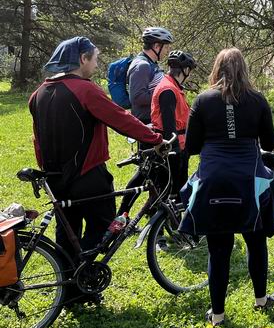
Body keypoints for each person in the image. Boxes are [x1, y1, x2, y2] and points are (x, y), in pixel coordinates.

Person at [28, 37, 168, 304]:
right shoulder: (84, 90)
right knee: (102, 227)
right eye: (94, 58)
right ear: (82, 59)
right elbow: (119, 117)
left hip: (56, 177)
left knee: (67, 235)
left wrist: (48, 170)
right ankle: (87, 281)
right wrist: (155, 139)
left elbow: (38, 139)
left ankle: (70, 292)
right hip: (89, 174)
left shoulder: (39, 93)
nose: (95, 64)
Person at [179, 48, 274, 327]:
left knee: (219, 249)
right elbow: (270, 144)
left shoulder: (203, 100)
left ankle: (218, 315)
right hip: (249, 181)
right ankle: (261, 300)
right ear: (244, 70)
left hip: (213, 180)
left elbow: (192, 147)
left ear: (216, 69)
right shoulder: (257, 100)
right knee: (256, 241)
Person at [150, 50, 197, 198]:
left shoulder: (172, 87)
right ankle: (171, 220)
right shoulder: (169, 90)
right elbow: (169, 126)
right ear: (185, 70)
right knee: (174, 192)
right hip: (173, 149)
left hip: (179, 146)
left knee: (175, 191)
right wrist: (176, 152)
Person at [127, 26, 173, 125]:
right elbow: (137, 97)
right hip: (147, 123)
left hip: (155, 120)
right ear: (156, 46)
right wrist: (165, 95)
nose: (167, 51)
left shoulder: (152, 63)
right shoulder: (142, 65)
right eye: (166, 47)